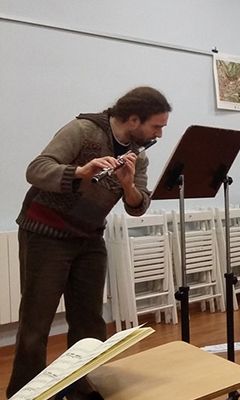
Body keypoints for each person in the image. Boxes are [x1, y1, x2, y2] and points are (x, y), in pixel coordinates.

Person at [7, 87, 171, 399]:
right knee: (36, 322)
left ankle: (80, 388)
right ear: (134, 119)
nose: (159, 134)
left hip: (89, 237)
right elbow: (36, 169)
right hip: (46, 233)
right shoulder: (82, 131)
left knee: (90, 323)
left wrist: (127, 185)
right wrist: (79, 172)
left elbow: (138, 205)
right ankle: (24, 393)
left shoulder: (140, 155)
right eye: (156, 126)